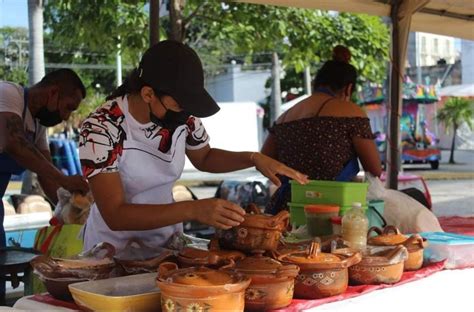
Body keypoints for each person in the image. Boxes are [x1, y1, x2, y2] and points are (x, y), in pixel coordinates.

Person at [79, 40, 308, 251]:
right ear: (148, 94)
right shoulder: (101, 127)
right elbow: (115, 214)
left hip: (163, 242)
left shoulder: (183, 116)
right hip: (109, 247)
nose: (186, 113)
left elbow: (204, 157)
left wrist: (252, 158)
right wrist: (193, 209)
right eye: (179, 105)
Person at [262, 46, 382, 214]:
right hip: (329, 211)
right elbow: (375, 169)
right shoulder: (351, 113)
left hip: (285, 211)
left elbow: (264, 160)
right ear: (348, 89)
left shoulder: (285, 117)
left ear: (315, 84)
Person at [0, 69, 90, 249]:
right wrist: (64, 179)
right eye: (68, 107)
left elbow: (46, 174)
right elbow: (14, 143)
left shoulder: (37, 127)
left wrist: (72, 210)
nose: (66, 117)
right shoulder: (8, 93)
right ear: (53, 93)